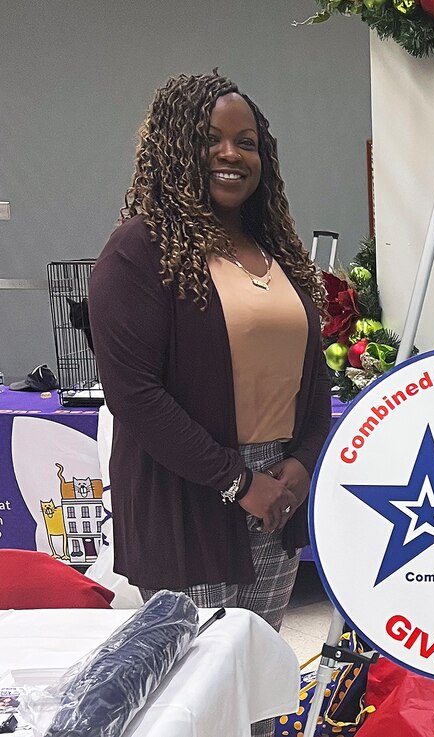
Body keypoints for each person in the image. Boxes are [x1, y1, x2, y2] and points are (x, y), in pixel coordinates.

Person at [89, 72, 329, 734]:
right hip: (189, 493)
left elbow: (314, 374)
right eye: (211, 139)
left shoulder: (276, 252)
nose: (232, 154)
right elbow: (135, 394)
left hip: (276, 493)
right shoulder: (140, 250)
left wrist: (301, 464)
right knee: (194, 693)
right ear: (174, 145)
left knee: (253, 676)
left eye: (246, 142)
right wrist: (236, 480)